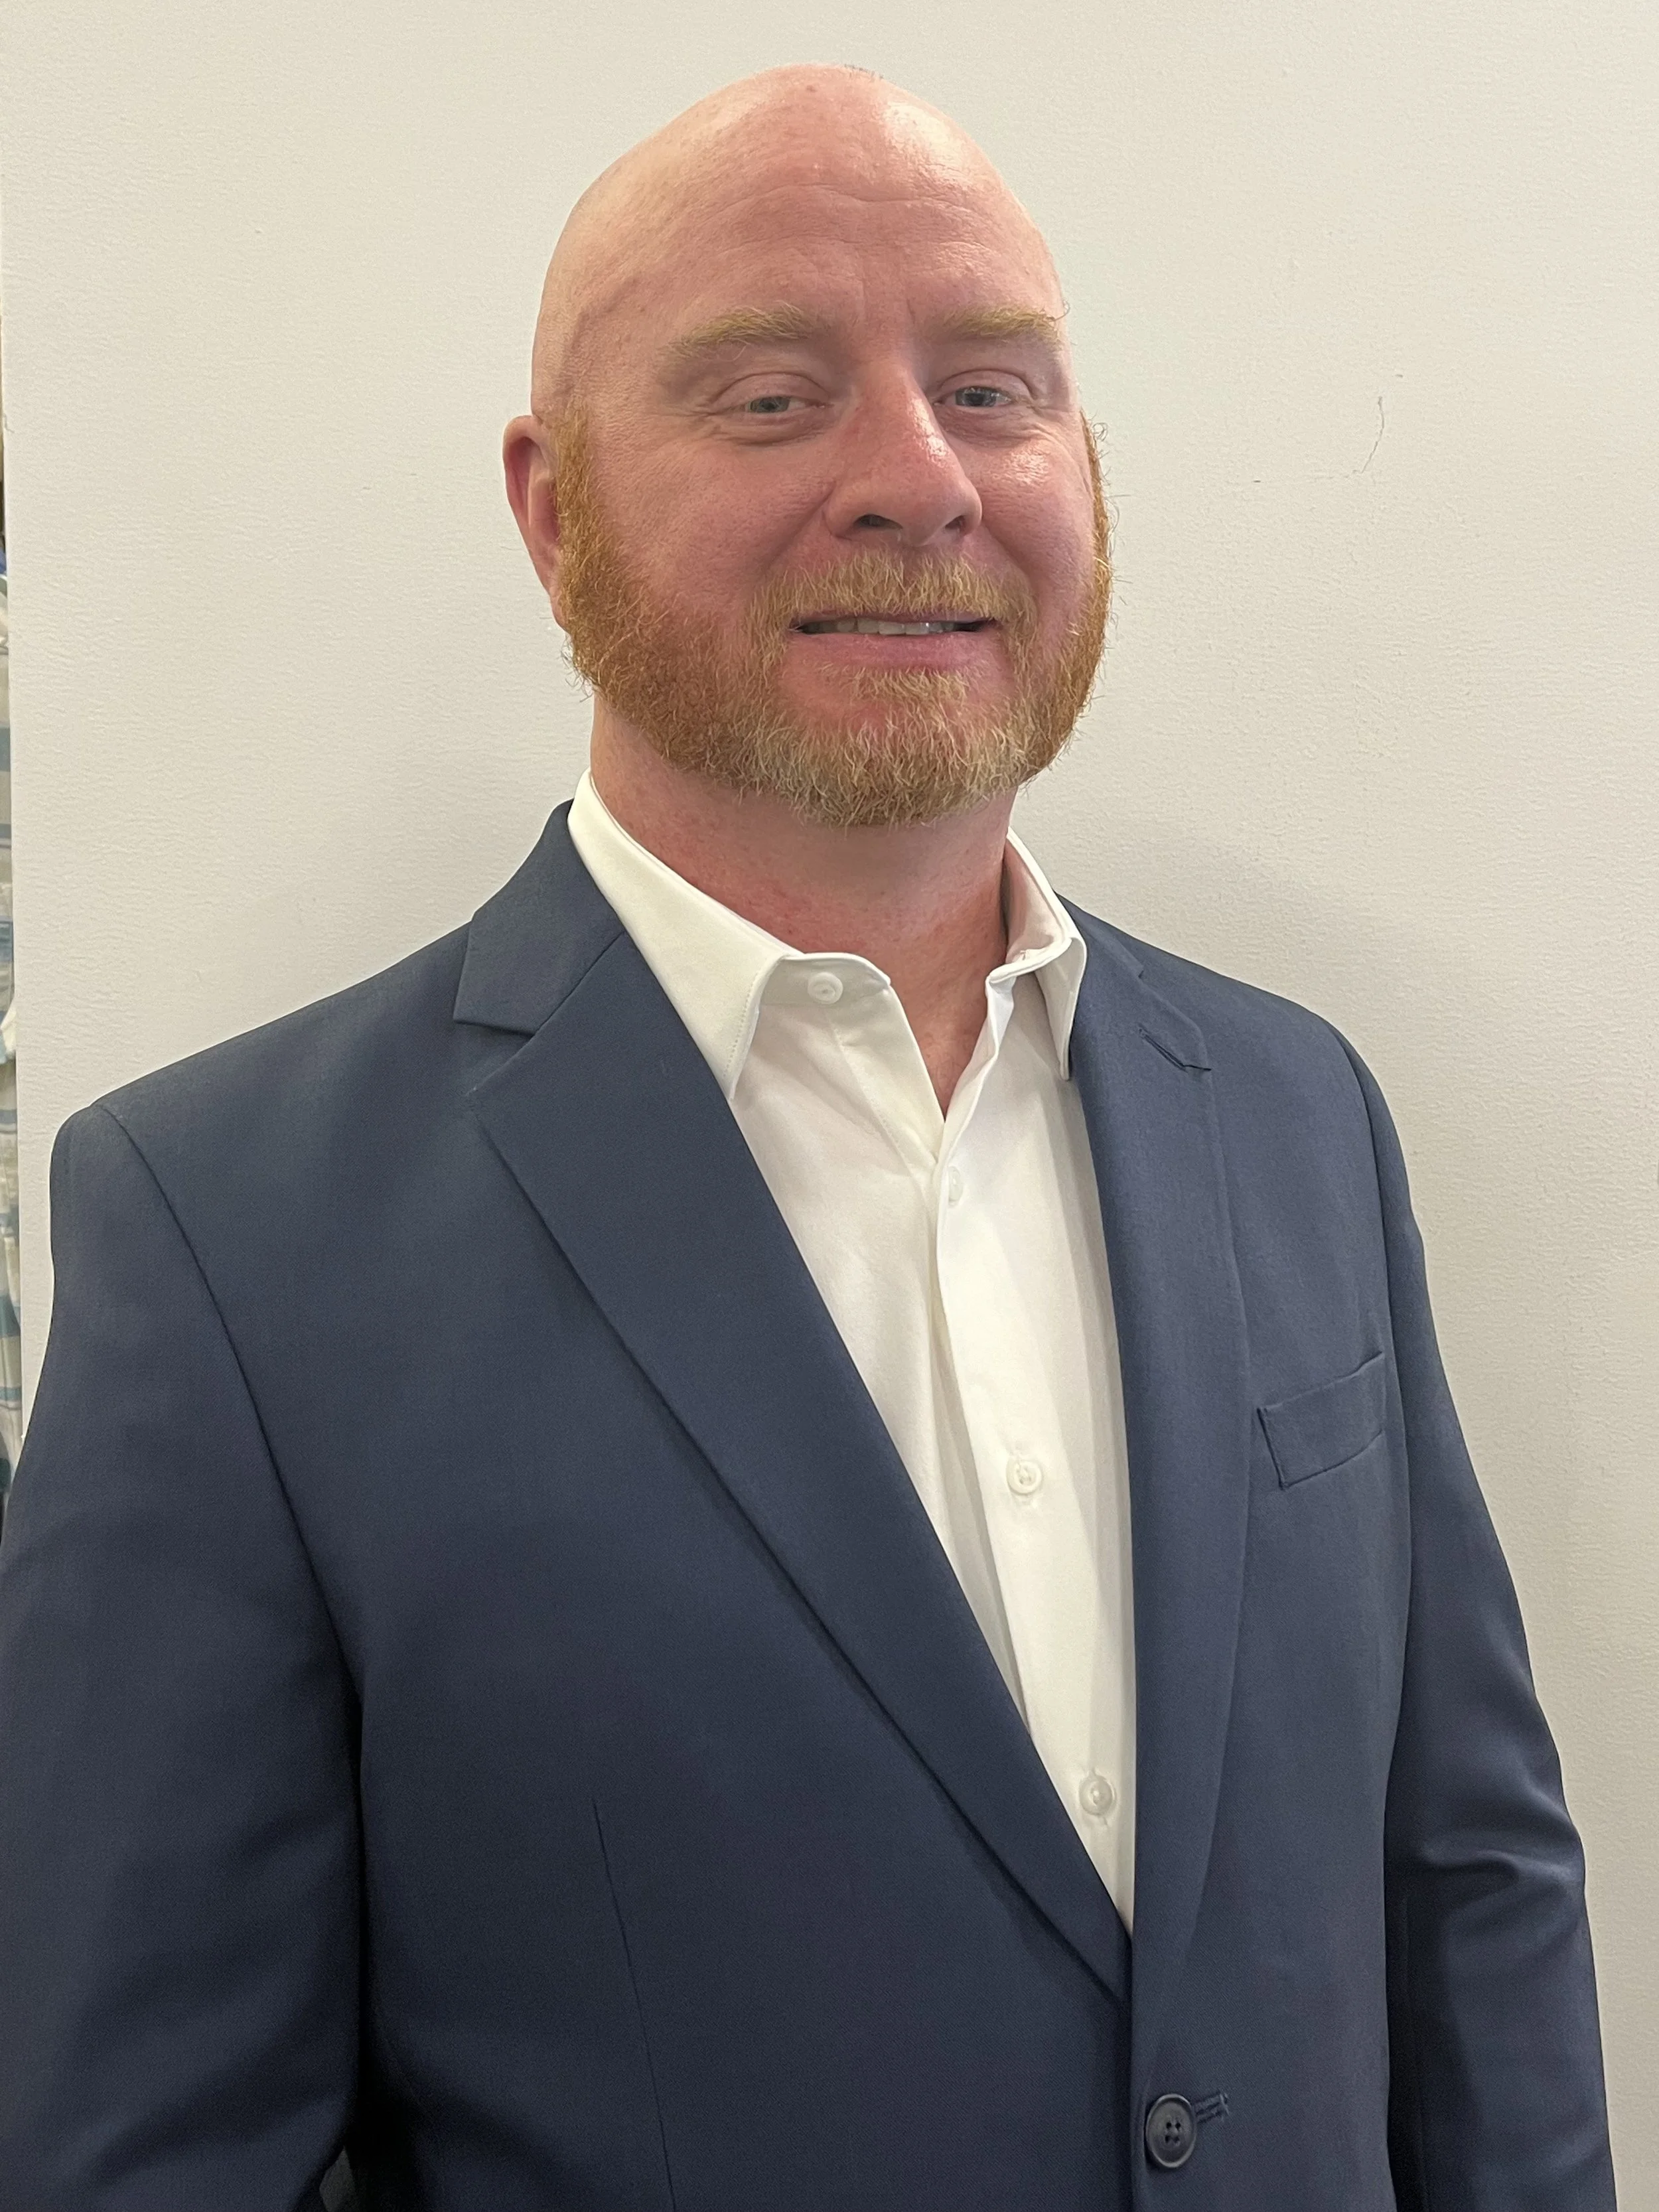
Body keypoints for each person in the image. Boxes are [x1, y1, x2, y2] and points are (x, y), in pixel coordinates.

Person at [0, 64, 1615, 2212]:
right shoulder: (228, 1237)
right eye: (769, 399)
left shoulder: (1296, 1114)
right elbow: (137, 2149)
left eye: (994, 389)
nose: (916, 480)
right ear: (553, 509)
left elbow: (1465, 1890)